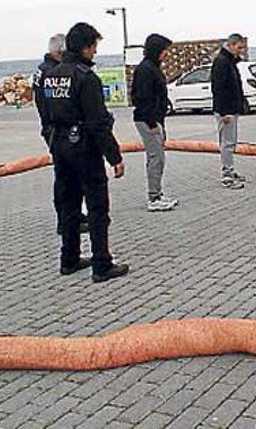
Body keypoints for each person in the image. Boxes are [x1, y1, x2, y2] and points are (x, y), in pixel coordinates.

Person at [41, 22, 129, 283]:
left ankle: (69, 258)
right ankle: (102, 263)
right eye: (94, 47)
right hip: (84, 147)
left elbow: (45, 114)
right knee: (97, 206)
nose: (95, 53)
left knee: (68, 203)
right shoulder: (85, 77)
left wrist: (53, 141)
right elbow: (98, 122)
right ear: (85, 47)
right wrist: (114, 157)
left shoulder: (50, 75)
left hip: (60, 145)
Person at [33, 33, 88, 235]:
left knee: (70, 176)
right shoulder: (49, 73)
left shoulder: (44, 70)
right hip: (56, 130)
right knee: (65, 177)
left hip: (54, 129)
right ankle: (65, 219)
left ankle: (73, 216)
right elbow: (51, 104)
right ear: (59, 52)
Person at [132, 33, 179, 212]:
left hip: (156, 119)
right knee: (155, 157)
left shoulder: (154, 67)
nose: (166, 54)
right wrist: (152, 122)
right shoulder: (145, 69)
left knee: (159, 157)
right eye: (164, 50)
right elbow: (142, 98)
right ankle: (153, 197)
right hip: (147, 120)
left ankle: (157, 193)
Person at [211, 33, 248, 189]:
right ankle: (227, 174)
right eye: (239, 48)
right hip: (226, 110)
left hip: (232, 108)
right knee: (227, 143)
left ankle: (230, 170)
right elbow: (218, 88)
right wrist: (223, 111)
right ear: (231, 45)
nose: (240, 51)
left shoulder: (229, 61)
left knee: (230, 142)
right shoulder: (222, 62)